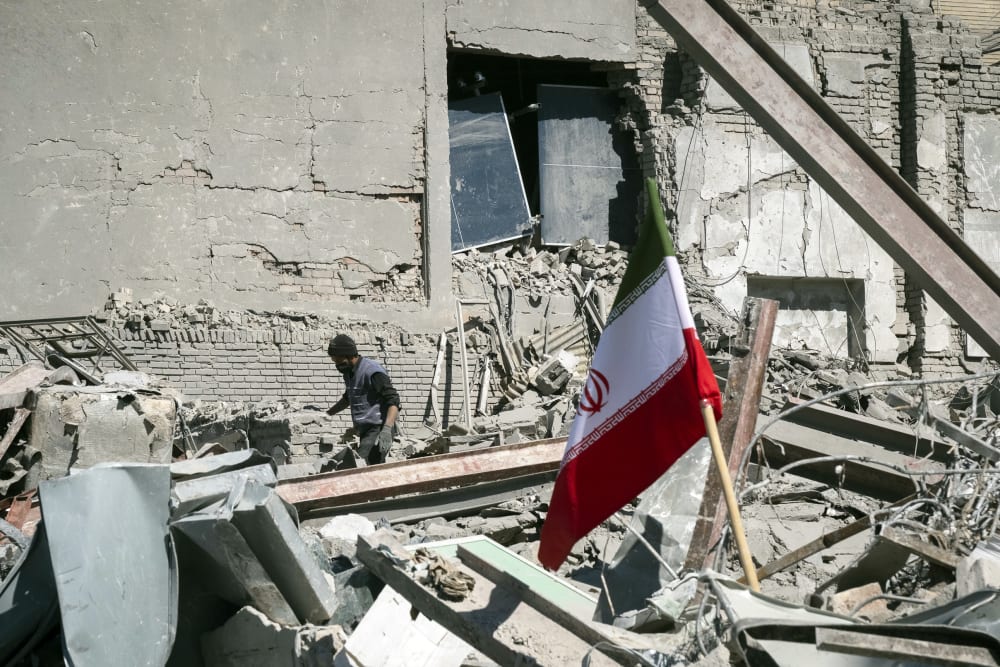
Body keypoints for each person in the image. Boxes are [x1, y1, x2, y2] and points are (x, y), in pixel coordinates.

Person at [326, 333, 400, 466]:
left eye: (338, 361)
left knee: (361, 465)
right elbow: (348, 398)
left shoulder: (372, 372)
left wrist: (387, 429)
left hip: (379, 428)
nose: (337, 365)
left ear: (348, 356)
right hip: (365, 430)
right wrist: (326, 415)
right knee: (370, 465)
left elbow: (393, 400)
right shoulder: (349, 372)